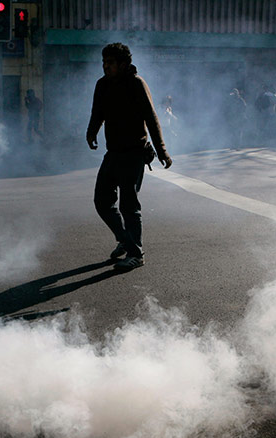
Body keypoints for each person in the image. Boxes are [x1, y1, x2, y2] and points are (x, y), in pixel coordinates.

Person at [86, 43, 172, 272]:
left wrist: (161, 150)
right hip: (113, 152)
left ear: (123, 64)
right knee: (102, 201)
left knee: (129, 206)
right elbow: (98, 112)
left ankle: (136, 253)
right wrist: (91, 131)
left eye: (110, 63)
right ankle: (125, 239)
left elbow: (151, 118)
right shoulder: (102, 85)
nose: (105, 67)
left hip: (134, 153)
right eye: (104, 62)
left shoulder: (136, 84)